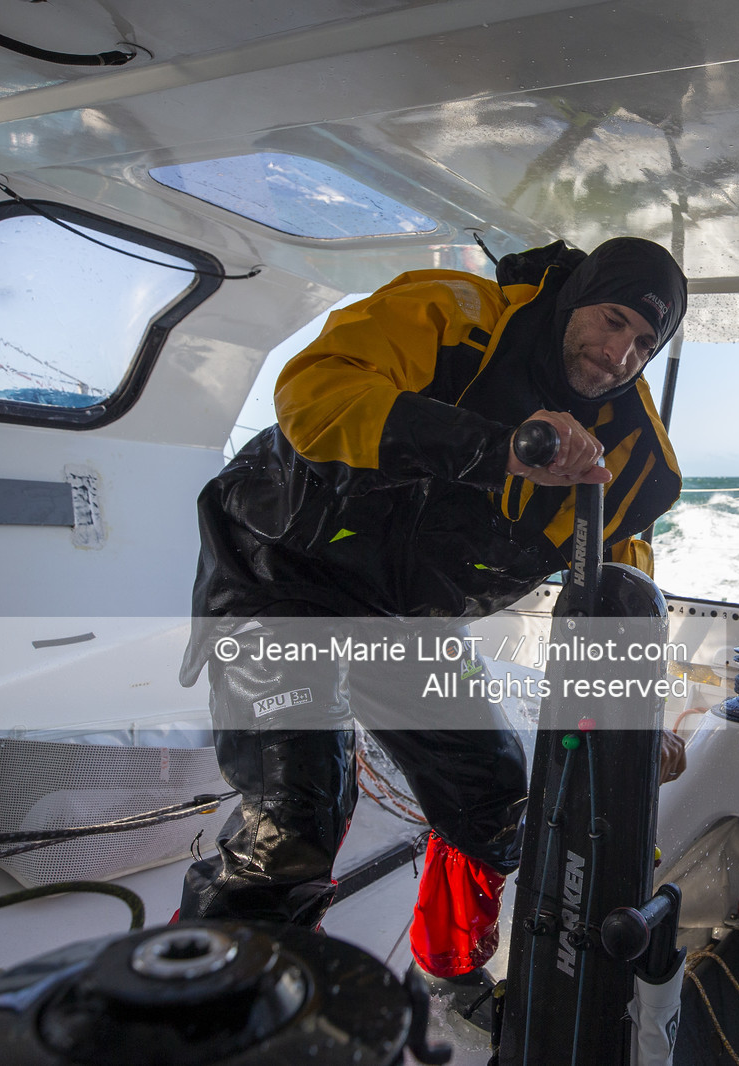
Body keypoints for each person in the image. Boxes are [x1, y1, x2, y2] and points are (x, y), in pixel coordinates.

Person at [176, 236, 688, 1022]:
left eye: (644, 343)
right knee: (295, 822)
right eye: (612, 319)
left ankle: (450, 970)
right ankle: (191, 1013)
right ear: (572, 298)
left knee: (492, 802)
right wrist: (498, 450)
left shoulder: (632, 454)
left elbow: (619, 590)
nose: (619, 352)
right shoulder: (453, 315)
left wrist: (633, 720)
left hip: (406, 622)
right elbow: (313, 397)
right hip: (281, 571)